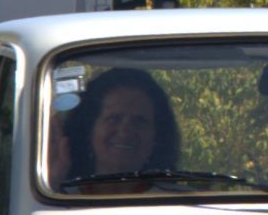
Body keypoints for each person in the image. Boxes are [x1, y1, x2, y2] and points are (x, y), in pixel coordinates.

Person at [48, 66, 180, 184]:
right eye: (114, 119)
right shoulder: (56, 197)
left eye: (139, 122)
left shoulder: (178, 205)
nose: (125, 132)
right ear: (89, 129)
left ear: (157, 136)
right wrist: (54, 179)